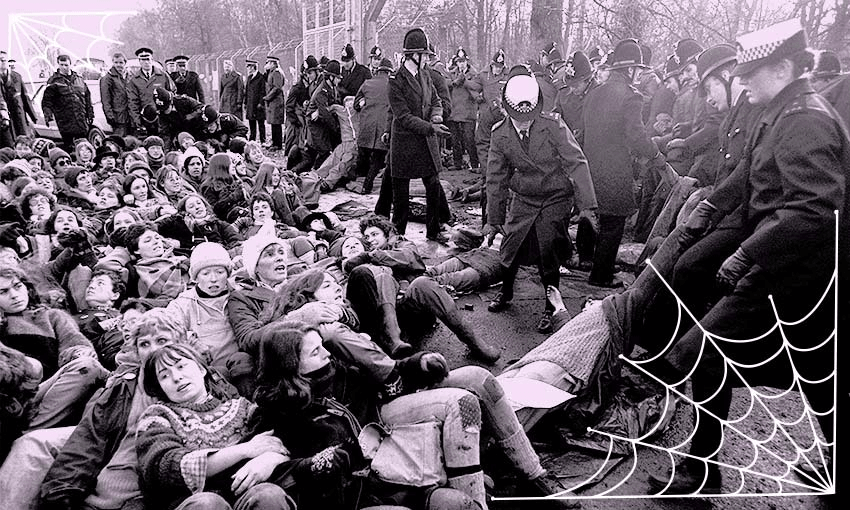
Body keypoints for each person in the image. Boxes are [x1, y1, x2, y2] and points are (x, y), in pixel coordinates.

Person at [645, 19, 849, 493]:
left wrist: (744, 254)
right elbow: (751, 173)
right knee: (817, 370)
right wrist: (714, 205)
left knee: (706, 351)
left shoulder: (805, 119)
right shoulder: (774, 109)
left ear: (781, 68)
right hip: (784, 263)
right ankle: (703, 466)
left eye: (750, 71)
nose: (741, 79)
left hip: (796, 272)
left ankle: (700, 471)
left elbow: (814, 208)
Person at [253, 323, 576, 509]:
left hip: (379, 416)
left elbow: (385, 380)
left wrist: (420, 363)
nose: (325, 353)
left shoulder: (338, 367)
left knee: (476, 378)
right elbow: (294, 463)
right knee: (459, 402)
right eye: (314, 352)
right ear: (289, 364)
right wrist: (265, 457)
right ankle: (473, 498)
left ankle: (532, 473)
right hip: (364, 458)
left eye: (322, 345)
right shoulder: (280, 406)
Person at [485, 68, 597, 334]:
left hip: (555, 195)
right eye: (518, 119)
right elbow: (495, 177)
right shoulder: (499, 134)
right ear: (507, 111)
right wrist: (495, 219)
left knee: (548, 249)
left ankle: (552, 306)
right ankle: (506, 291)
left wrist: (587, 207)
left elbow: (577, 163)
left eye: (529, 118)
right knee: (511, 246)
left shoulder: (553, 126)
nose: (524, 123)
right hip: (524, 196)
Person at [135, 343, 295, 510]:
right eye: (164, 376)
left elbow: (283, 442)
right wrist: (245, 450)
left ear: (202, 369)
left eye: (181, 366)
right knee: (208, 503)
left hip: (245, 494)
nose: (176, 377)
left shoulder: (242, 407)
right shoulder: (157, 416)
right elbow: (164, 467)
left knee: (268, 495)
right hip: (192, 502)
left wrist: (270, 459)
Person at [344, 215, 501, 362]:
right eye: (366, 237)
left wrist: (372, 256)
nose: (370, 239)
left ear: (386, 234)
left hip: (412, 296)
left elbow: (411, 257)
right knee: (386, 274)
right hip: (382, 312)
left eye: (374, 234)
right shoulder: (350, 265)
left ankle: (474, 341)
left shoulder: (397, 246)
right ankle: (392, 336)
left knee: (426, 280)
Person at [581, 39, 663, 288]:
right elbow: (636, 136)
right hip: (616, 167)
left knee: (601, 217)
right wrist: (655, 153)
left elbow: (585, 129)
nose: (639, 74)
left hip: (590, 165)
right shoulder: (631, 97)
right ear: (629, 70)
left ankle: (595, 262)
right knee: (614, 223)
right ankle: (601, 276)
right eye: (638, 70)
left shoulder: (594, 93)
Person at [387, 28, 452, 243]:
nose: (427, 58)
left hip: (425, 140)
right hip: (405, 142)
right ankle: (398, 235)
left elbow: (436, 100)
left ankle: (434, 231)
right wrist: (430, 127)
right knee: (401, 196)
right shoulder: (395, 80)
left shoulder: (425, 74)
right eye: (424, 55)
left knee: (433, 184)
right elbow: (403, 116)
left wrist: (436, 116)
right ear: (413, 55)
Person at [353, 57, 392, 194]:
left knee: (362, 156)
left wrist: (363, 102)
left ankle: (357, 182)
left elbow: (356, 105)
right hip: (382, 127)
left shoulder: (367, 83)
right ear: (389, 72)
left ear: (378, 71)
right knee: (378, 158)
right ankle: (367, 186)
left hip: (366, 126)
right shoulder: (392, 85)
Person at [42, 55, 93, 150]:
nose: (64, 67)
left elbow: (87, 98)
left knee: (84, 147)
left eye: (66, 65)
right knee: (69, 148)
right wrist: (47, 114)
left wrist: (90, 114)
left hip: (81, 120)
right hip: (65, 121)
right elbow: (47, 101)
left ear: (70, 64)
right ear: (58, 65)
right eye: (61, 65)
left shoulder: (79, 79)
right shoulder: (53, 82)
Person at [303, 60, 343, 172]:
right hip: (316, 126)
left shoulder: (331, 88)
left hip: (321, 124)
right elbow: (325, 114)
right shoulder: (322, 91)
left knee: (322, 152)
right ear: (330, 77)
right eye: (337, 77)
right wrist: (337, 128)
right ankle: (315, 174)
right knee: (324, 152)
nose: (339, 80)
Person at [127, 48, 175, 137]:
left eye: (148, 59)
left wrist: (169, 109)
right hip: (147, 119)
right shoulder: (134, 80)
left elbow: (172, 93)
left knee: (166, 141)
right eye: (143, 60)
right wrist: (138, 122)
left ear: (152, 60)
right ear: (139, 62)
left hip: (163, 117)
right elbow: (133, 102)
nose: (146, 62)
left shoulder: (163, 75)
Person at [447, 47, 480, 171]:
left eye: (463, 61)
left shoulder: (474, 75)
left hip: (468, 112)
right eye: (459, 61)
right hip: (454, 111)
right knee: (455, 140)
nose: (461, 64)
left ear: (467, 62)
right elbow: (444, 83)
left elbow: (476, 89)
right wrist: (454, 82)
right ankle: (457, 163)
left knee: (469, 139)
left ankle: (474, 164)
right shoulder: (451, 73)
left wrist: (465, 81)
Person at [284, 56, 319, 156]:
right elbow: (289, 107)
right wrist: (296, 121)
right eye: (307, 74)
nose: (309, 76)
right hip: (295, 121)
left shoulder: (311, 87)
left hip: (304, 119)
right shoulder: (296, 88)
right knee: (293, 142)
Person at [0, 50, 36, 140]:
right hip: (3, 120)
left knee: (24, 141)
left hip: (19, 115)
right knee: (7, 144)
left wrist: (33, 116)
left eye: (3, 60)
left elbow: (25, 97)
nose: (1, 63)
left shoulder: (17, 77)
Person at [100, 52, 132, 137]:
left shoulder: (129, 76)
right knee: (119, 142)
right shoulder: (107, 79)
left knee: (132, 142)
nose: (118, 65)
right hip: (118, 118)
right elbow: (105, 99)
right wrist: (110, 116)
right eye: (116, 62)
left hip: (131, 116)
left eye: (121, 62)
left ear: (125, 63)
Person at [264, 55, 286, 151]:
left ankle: (278, 144)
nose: (267, 65)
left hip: (276, 101)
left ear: (273, 64)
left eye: (269, 63)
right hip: (274, 101)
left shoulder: (277, 73)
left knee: (276, 124)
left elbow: (277, 88)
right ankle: (275, 142)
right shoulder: (272, 72)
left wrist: (268, 97)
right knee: (273, 123)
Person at [243, 59, 267, 144]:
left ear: (253, 67)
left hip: (258, 105)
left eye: (249, 67)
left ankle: (263, 140)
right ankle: (252, 139)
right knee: (251, 123)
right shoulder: (249, 78)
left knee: (261, 123)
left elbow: (263, 91)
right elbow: (246, 91)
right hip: (250, 104)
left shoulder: (261, 77)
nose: (248, 69)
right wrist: (245, 102)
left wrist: (261, 103)